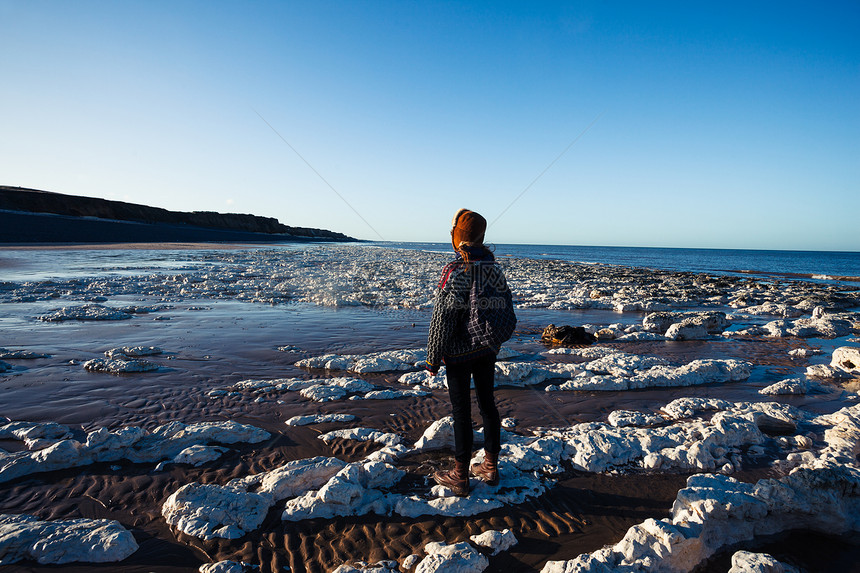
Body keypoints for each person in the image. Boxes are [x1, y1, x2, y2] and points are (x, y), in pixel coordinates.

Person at [419, 208, 517, 496]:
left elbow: (443, 317)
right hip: (486, 348)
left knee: (461, 411)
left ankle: (460, 474)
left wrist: (432, 357)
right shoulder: (493, 268)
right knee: (488, 405)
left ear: (458, 236)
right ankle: (489, 465)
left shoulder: (456, 270)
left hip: (460, 354)